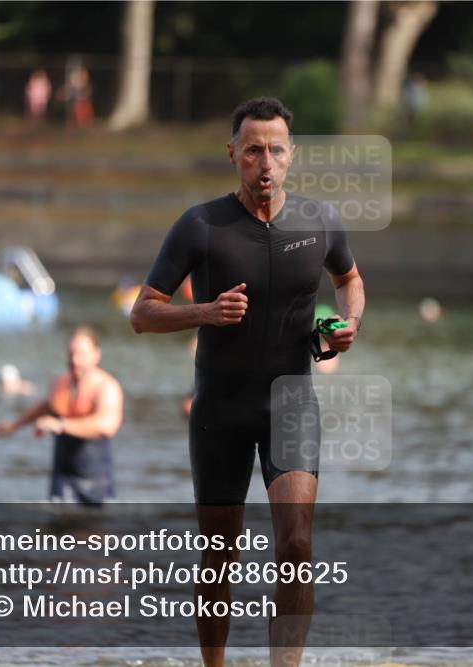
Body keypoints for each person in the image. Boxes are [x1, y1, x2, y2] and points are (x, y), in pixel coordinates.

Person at [130, 97, 365, 667]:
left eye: (276, 150)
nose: (265, 162)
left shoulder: (318, 221)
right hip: (220, 410)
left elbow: (350, 280)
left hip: (291, 403)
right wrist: (204, 312)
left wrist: (348, 323)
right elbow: (142, 313)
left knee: (297, 545)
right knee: (219, 558)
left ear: (291, 157)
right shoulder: (201, 225)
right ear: (233, 153)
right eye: (253, 150)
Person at [0, 326, 123, 505]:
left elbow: (107, 425)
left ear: (96, 354)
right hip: (63, 478)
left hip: (96, 481)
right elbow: (47, 406)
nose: (75, 360)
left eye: (81, 354)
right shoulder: (60, 382)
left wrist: (61, 425)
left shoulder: (107, 387)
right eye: (71, 354)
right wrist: (15, 425)